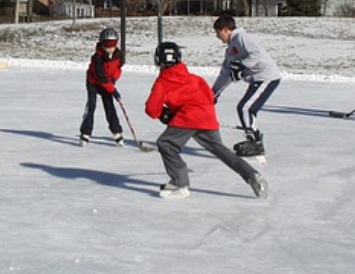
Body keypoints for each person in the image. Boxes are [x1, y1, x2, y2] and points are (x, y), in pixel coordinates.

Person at [145, 41, 268, 201]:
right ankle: (253, 175)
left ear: (157, 60)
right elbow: (209, 97)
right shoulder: (195, 78)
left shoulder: (162, 82)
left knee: (166, 144)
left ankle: (180, 183)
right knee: (221, 151)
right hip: (207, 116)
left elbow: (151, 109)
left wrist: (165, 114)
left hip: (188, 118)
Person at [210, 14, 282, 159]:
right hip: (257, 79)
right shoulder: (230, 49)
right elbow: (226, 73)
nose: (217, 37)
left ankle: (255, 142)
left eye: (217, 33)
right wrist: (214, 93)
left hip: (266, 77)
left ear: (225, 30)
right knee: (247, 108)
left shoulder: (242, 38)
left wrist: (242, 65)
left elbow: (257, 55)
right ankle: (254, 139)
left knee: (245, 108)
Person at [79, 27, 124, 146]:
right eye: (107, 45)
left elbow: (118, 69)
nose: (110, 48)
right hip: (93, 82)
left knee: (109, 106)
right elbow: (101, 77)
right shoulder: (97, 58)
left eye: (113, 45)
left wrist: (113, 80)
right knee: (91, 106)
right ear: (101, 44)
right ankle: (85, 133)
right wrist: (112, 89)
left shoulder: (118, 55)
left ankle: (116, 131)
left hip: (107, 83)